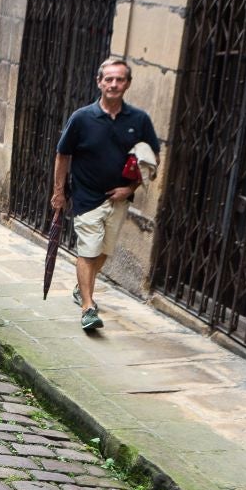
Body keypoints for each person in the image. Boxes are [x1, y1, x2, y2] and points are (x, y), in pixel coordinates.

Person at [51, 58, 160, 331]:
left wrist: (130, 189)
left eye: (119, 79)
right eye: (108, 79)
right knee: (88, 250)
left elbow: (153, 159)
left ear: (128, 84)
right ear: (99, 82)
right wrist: (59, 193)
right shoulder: (82, 118)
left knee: (103, 252)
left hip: (119, 198)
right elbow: (62, 155)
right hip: (86, 197)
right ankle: (88, 307)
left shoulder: (139, 120)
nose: (113, 84)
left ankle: (81, 287)